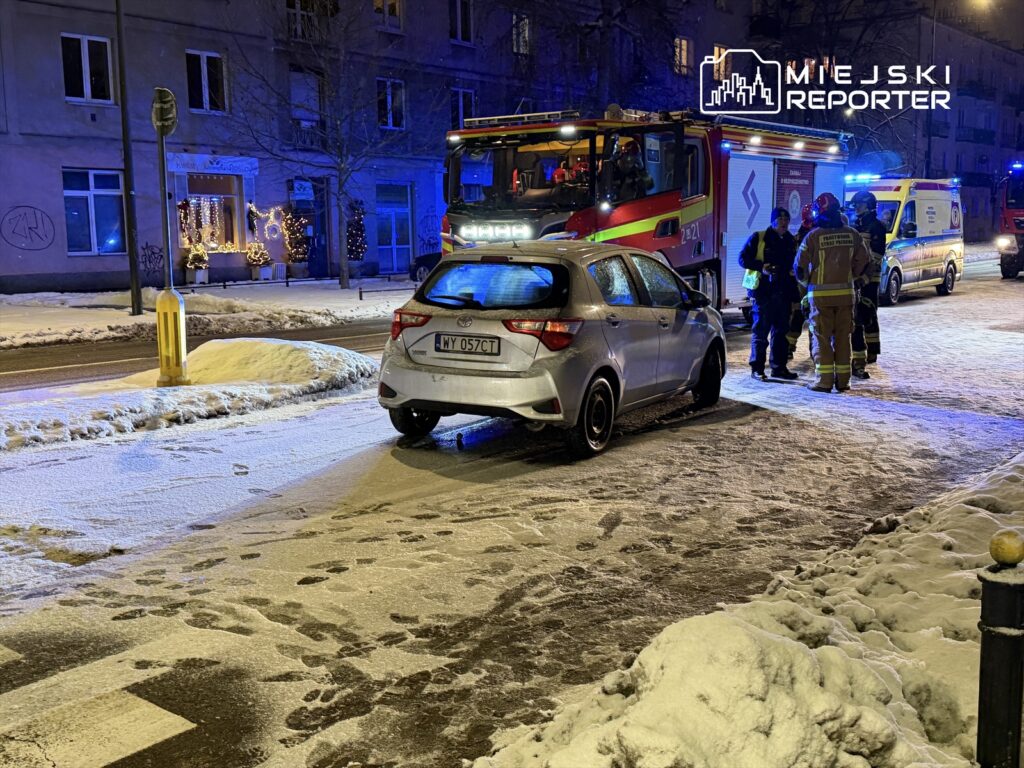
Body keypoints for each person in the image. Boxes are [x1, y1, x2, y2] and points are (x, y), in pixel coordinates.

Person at [794, 193, 869, 393]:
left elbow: (799, 268)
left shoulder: (813, 236)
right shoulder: (852, 234)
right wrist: (851, 275)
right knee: (844, 337)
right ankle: (844, 381)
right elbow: (864, 260)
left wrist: (806, 286)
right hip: (846, 295)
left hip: (820, 297)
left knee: (822, 337)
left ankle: (824, 381)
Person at [739, 206, 800, 382]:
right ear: (773, 221)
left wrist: (794, 296)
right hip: (763, 292)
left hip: (783, 293)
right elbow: (742, 259)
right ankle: (757, 368)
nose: (784, 222)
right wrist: (762, 267)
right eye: (780, 219)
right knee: (761, 332)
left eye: (786, 219)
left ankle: (779, 368)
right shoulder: (759, 237)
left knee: (781, 333)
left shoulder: (790, 240)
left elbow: (793, 268)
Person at [850, 190, 886, 376]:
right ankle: (866, 350)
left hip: (870, 278)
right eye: (855, 204)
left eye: (860, 204)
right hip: (857, 278)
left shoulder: (876, 227)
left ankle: (872, 351)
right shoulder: (856, 225)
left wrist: (864, 273)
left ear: (869, 206)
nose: (856, 207)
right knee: (859, 315)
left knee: (868, 313)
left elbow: (876, 256)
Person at [786, 203, 815, 360]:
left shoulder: (801, 236)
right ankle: (795, 347)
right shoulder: (808, 236)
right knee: (803, 315)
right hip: (806, 283)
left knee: (805, 315)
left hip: (808, 282)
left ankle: (793, 347)